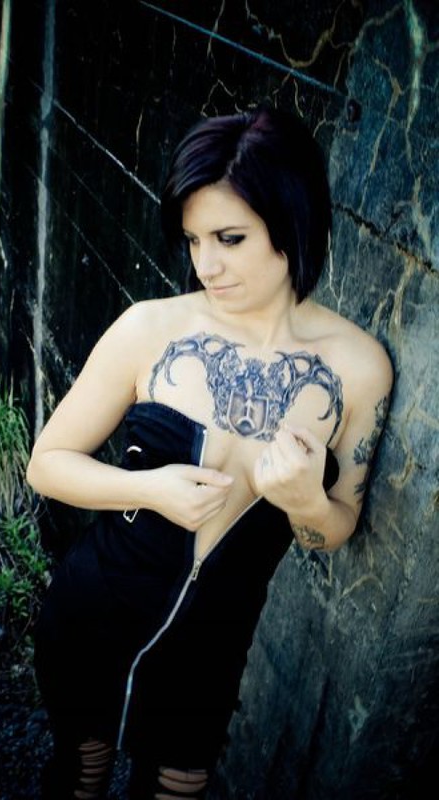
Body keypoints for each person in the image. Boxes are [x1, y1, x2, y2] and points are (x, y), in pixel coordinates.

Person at [26, 102, 393, 800]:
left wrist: (306, 503)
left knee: (179, 787)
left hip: (210, 647)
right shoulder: (149, 328)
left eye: (229, 238)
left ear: (292, 220)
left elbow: (333, 528)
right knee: (81, 774)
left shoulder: (357, 367)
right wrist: (149, 489)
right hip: (94, 609)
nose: (206, 264)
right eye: (194, 240)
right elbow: (46, 464)